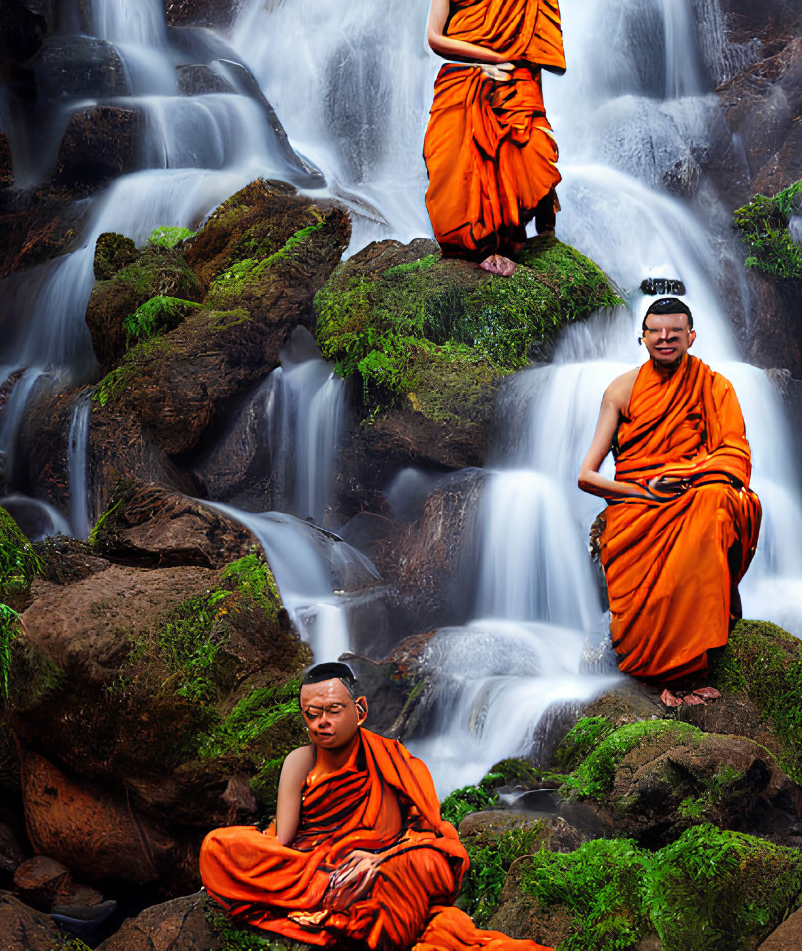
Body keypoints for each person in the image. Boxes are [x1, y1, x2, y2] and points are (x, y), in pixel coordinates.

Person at [199, 662, 550, 950]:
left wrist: (379, 859)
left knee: (419, 866)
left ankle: (352, 897)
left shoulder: (396, 761)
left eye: (333, 710)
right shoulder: (299, 761)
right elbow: (283, 841)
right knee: (218, 846)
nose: (322, 723)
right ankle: (333, 892)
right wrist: (276, 852)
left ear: (360, 710)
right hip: (316, 866)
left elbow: (433, 836)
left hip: (384, 863)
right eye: (312, 714)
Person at [575, 298, 763, 706]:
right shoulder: (621, 391)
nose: (664, 340)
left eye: (674, 333)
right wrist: (646, 493)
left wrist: (683, 477)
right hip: (637, 506)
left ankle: (691, 667)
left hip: (692, 494)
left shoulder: (715, 387)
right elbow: (586, 475)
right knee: (700, 508)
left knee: (720, 502)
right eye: (655, 332)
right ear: (642, 337)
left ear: (690, 337)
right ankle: (657, 670)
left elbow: (735, 456)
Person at [423, 0, 565, 276]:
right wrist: (487, 59)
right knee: (457, 159)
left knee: (533, 149)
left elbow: (538, 45)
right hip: (463, 76)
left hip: (517, 81)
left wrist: (527, 93)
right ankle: (478, 247)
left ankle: (528, 237)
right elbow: (435, 38)